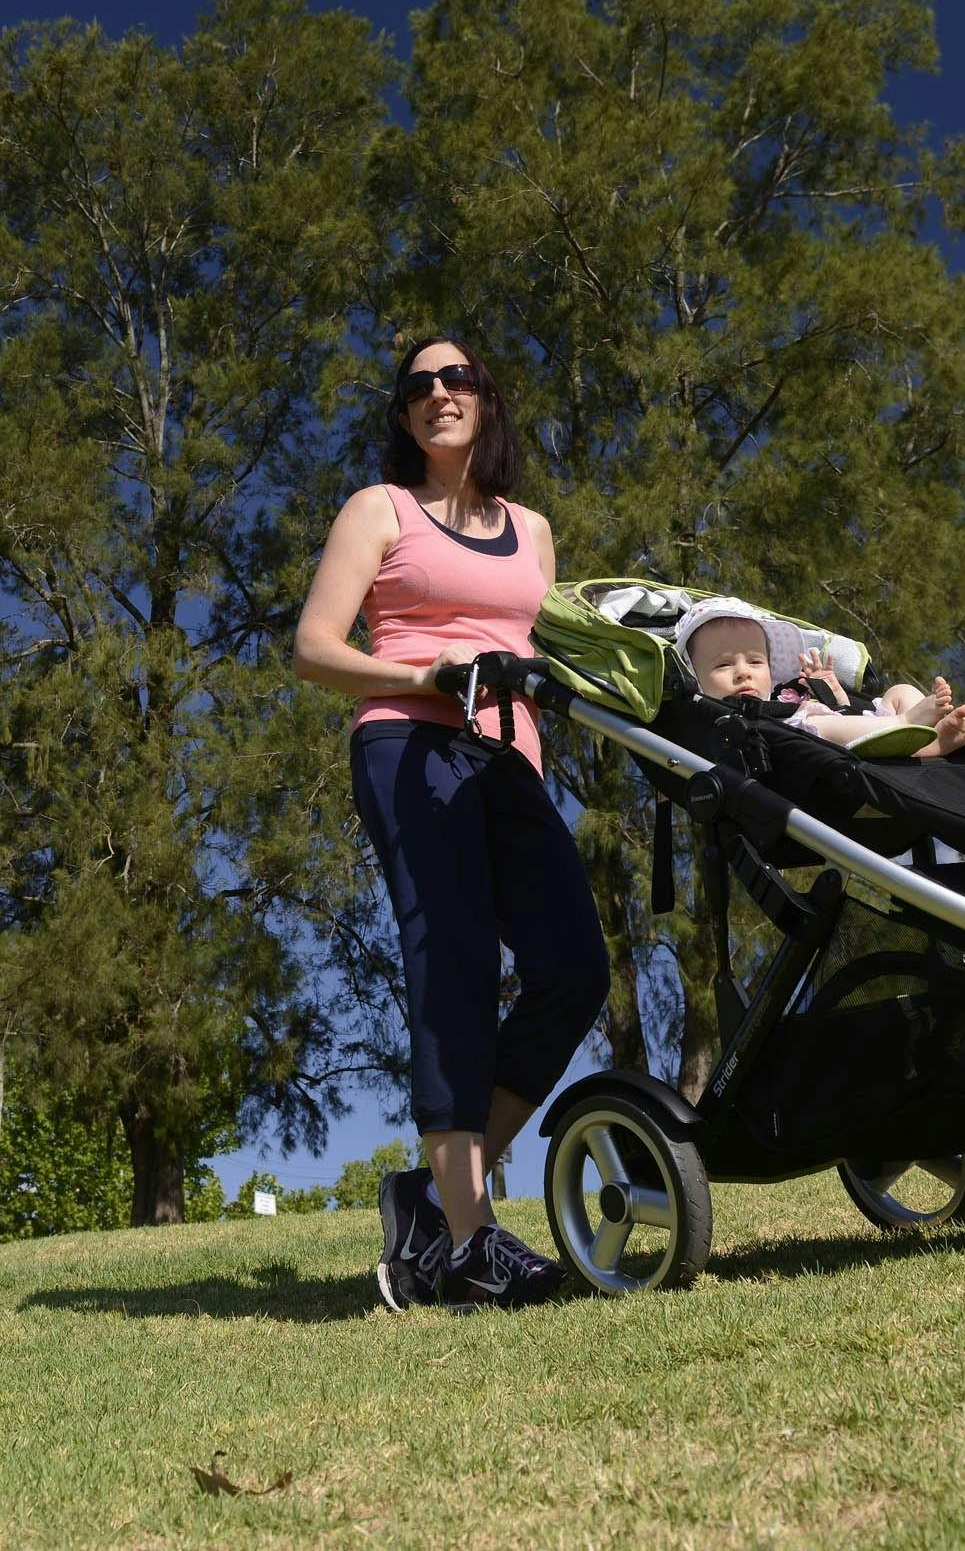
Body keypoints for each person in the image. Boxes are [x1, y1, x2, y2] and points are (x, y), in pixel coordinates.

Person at [294, 336, 608, 1311]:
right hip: (407, 741)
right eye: (418, 384)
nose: (438, 391)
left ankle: (429, 1200)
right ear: (404, 413)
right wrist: (423, 674)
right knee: (457, 960)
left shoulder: (532, 530)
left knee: (575, 969)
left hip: (509, 762)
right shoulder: (378, 510)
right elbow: (312, 648)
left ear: (486, 398)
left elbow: (548, 652)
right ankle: (470, 1242)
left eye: (456, 377)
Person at [674, 597, 965, 757]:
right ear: (697, 680)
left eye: (755, 661)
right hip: (808, 744)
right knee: (813, 724)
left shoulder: (787, 694)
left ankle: (930, 732)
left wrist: (832, 693)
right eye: (723, 666)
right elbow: (825, 725)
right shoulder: (731, 719)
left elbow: (844, 713)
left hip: (861, 729)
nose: (743, 672)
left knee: (900, 690)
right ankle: (910, 725)